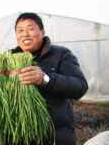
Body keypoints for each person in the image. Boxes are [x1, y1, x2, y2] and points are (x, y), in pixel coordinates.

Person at [12, 12, 88, 145]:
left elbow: (80, 87)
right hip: (17, 137)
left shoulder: (61, 54)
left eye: (30, 29)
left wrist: (46, 79)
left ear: (42, 32)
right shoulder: (8, 59)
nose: (25, 34)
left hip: (55, 137)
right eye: (20, 30)